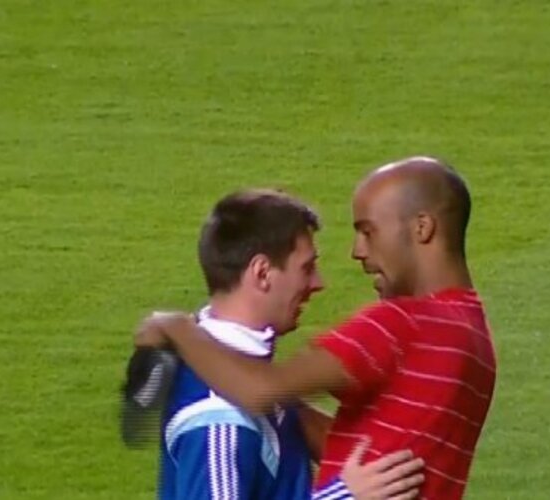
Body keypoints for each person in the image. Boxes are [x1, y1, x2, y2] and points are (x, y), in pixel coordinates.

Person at [136, 157, 497, 499]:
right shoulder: (471, 334)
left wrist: (173, 326)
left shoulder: (400, 326)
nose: (357, 251)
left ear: (422, 227)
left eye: (368, 231)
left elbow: (261, 392)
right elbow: (380, 450)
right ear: (262, 273)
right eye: (308, 268)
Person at [154, 189, 425, 499]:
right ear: (262, 273)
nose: (318, 283)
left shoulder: (231, 363)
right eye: (307, 269)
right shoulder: (219, 422)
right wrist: (344, 497)